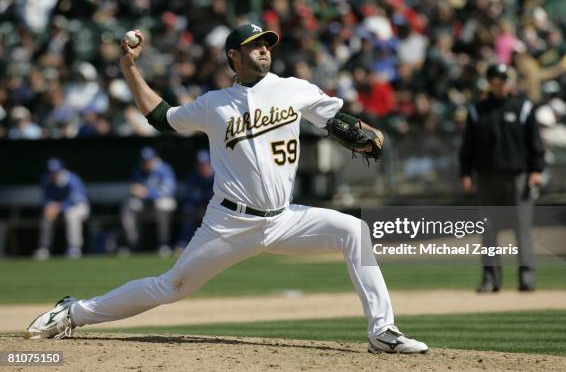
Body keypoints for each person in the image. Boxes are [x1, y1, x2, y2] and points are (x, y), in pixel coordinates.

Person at [25, 23, 428, 354]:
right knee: (172, 286)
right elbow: (162, 117)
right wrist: (130, 68)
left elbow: (341, 122)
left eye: (267, 43)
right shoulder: (213, 103)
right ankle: (73, 312)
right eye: (254, 45)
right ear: (233, 55)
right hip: (229, 222)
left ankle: (383, 331)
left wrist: (366, 132)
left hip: (285, 218)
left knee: (354, 231)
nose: (264, 50)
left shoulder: (294, 88)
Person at [459, 64, 545, 293]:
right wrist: (466, 172)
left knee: (522, 228)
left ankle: (526, 277)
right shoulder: (478, 110)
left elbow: (535, 142)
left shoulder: (523, 107)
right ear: (489, 81)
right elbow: (468, 145)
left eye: (503, 78)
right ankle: (490, 278)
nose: (499, 82)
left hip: (518, 176)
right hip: (487, 176)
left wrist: (536, 169)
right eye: (495, 78)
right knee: (488, 229)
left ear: (510, 81)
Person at [120, 147, 177, 257]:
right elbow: (135, 188)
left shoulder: (164, 169)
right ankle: (132, 243)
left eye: (148, 160)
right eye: (144, 160)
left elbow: (168, 190)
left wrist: (148, 193)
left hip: (162, 202)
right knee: (129, 205)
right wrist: (137, 191)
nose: (146, 162)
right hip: (145, 204)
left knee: (162, 205)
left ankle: (163, 243)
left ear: (154, 159)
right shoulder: (138, 169)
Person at [33, 158, 89, 260]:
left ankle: (74, 248)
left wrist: (59, 207)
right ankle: (44, 248)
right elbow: (46, 198)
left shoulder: (71, 179)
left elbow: (76, 200)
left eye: (56, 171)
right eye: (51, 172)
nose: (54, 174)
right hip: (59, 208)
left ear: (61, 170)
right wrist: (49, 207)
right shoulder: (46, 180)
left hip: (79, 207)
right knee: (47, 217)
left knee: (71, 215)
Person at [175, 149, 214, 252]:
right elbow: (189, 195)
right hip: (198, 206)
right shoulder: (193, 176)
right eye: (200, 164)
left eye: (205, 164)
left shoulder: (217, 176)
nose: (202, 167)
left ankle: (212, 244)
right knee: (188, 210)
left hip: (213, 207)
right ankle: (184, 242)